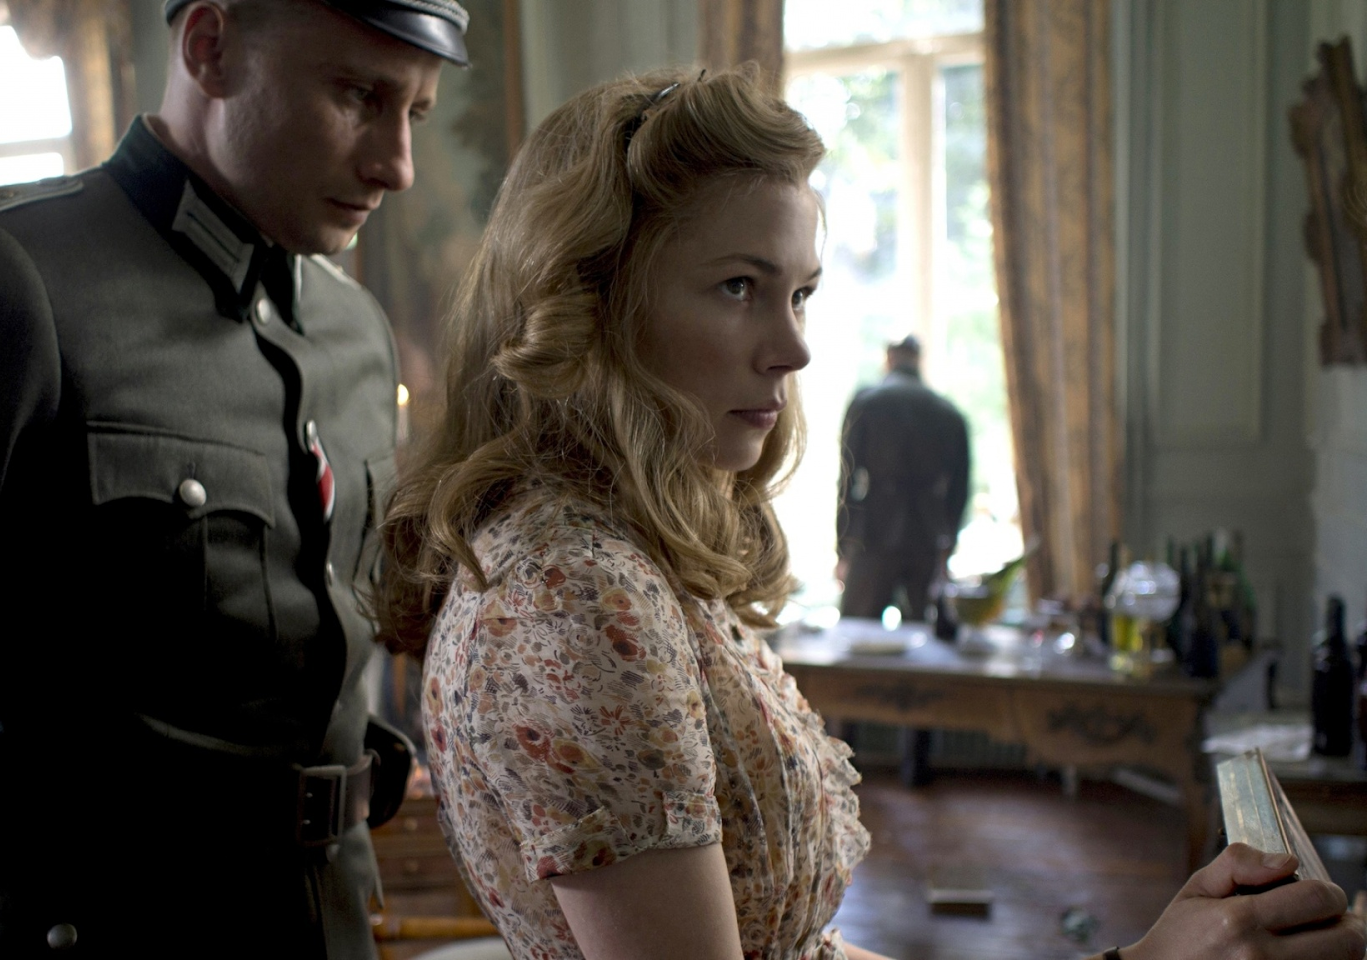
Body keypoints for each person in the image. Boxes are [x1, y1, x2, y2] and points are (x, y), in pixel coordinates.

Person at [373, 67, 1366, 960]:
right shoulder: (572, 593)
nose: (794, 348)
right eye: (738, 286)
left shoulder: (616, 557)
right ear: (593, 302)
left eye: (800, 293)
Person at [0, 1, 466, 957]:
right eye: (357, 96)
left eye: (416, 113)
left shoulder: (355, 331)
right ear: (210, 48)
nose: (397, 165)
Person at [835, 334, 970, 625]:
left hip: (873, 532)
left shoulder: (866, 402)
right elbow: (960, 490)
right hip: (927, 535)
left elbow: (846, 479)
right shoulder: (949, 413)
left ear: (889, 359)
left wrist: (843, 544)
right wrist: (947, 544)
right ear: (918, 360)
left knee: (857, 632)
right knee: (925, 638)